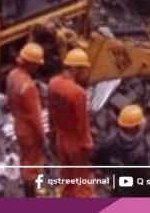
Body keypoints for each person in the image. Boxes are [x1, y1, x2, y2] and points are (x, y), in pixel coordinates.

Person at [48, 48, 95, 197]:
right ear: (75, 69)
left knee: (67, 178)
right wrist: (88, 145)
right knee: (82, 181)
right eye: (82, 69)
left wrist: (52, 133)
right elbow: (83, 124)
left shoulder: (53, 83)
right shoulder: (77, 93)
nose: (83, 73)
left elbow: (50, 111)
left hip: (60, 138)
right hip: (76, 143)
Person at [7, 42, 46, 196]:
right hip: (30, 131)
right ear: (32, 64)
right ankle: (31, 195)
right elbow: (35, 117)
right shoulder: (29, 87)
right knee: (33, 163)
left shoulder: (12, 75)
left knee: (24, 158)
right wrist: (41, 135)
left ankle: (29, 185)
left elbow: (9, 101)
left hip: (18, 124)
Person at [94, 104, 150, 197]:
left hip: (117, 191)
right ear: (137, 127)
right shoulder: (139, 154)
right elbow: (145, 184)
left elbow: (98, 161)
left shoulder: (109, 142)